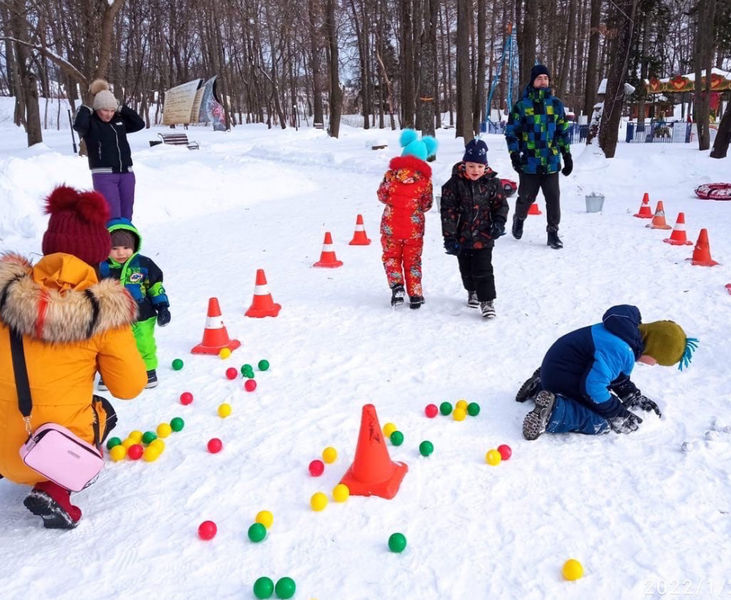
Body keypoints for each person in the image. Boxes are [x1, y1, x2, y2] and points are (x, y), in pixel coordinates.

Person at [0, 185, 147, 529]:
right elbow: (129, 387)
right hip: (44, 452)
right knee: (103, 411)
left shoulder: (4, 294)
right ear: (98, 254)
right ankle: (56, 487)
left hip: (3, 440)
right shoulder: (104, 315)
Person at [515, 305, 698, 440]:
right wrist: (617, 413)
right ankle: (555, 411)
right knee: (600, 420)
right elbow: (593, 388)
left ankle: (538, 387)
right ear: (653, 350)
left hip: (558, 367)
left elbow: (614, 375)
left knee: (600, 386)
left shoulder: (623, 334)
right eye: (658, 361)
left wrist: (632, 396)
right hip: (563, 375)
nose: (653, 365)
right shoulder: (621, 350)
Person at [505, 64, 572, 249]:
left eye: (546, 78)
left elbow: (562, 132)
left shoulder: (556, 105)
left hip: (550, 162)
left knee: (553, 198)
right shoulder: (521, 106)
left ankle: (553, 232)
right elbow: (511, 132)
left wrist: (567, 155)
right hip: (529, 162)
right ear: (533, 81)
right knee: (526, 197)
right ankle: (519, 218)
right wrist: (514, 154)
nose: (543, 81)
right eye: (539, 78)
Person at [440, 138, 509, 318]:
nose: (475, 171)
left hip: (484, 236)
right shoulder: (453, 184)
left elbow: (501, 205)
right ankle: (472, 290)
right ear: (464, 164)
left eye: (479, 166)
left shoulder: (493, 183)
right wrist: (449, 238)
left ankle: (487, 301)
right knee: (466, 269)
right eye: (471, 166)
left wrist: (499, 222)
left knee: (484, 269)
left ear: (485, 167)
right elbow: (448, 212)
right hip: (461, 237)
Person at [99, 218, 171, 388]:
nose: (121, 253)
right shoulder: (101, 267)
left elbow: (155, 287)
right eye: (114, 248)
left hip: (142, 315)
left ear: (134, 245)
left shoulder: (144, 264)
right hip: (111, 317)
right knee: (110, 346)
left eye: (126, 247)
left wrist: (162, 307)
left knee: (144, 343)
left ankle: (148, 370)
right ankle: (109, 373)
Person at [377, 129, 436, 309]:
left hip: (391, 226)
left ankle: (397, 288)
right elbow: (427, 204)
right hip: (414, 229)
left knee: (391, 257)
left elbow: (381, 195)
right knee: (413, 260)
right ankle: (416, 293)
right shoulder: (425, 181)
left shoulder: (390, 176)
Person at [73, 79, 145, 220]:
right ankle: (109, 242)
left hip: (127, 174)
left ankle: (125, 242)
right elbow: (79, 126)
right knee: (111, 216)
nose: (109, 114)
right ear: (97, 108)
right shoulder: (91, 123)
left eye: (112, 110)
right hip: (104, 175)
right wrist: (84, 109)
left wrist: (121, 108)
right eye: (105, 110)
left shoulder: (119, 121)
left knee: (126, 216)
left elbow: (139, 124)